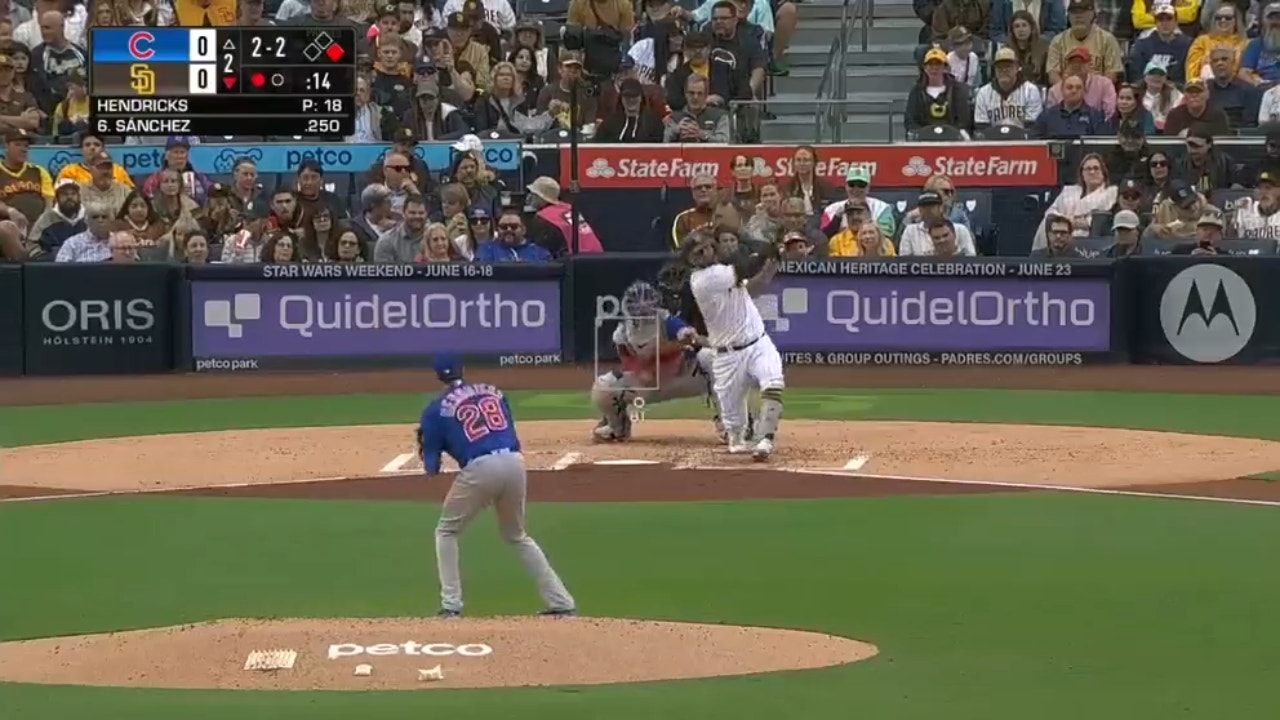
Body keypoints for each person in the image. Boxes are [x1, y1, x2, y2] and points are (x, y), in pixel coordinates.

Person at [418, 354, 576, 618]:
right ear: (462, 369)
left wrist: (430, 445)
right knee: (516, 535)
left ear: (437, 375)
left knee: (446, 531)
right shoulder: (495, 393)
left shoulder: (434, 410)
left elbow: (431, 469)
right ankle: (562, 603)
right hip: (514, 462)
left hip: (480, 468)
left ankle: (451, 606)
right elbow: (507, 431)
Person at [686, 231, 784, 460]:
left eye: (707, 248)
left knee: (773, 382)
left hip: (758, 343)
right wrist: (763, 247)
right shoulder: (703, 279)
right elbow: (747, 266)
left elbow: (753, 282)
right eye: (697, 252)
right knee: (735, 432)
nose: (704, 253)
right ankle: (739, 436)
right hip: (727, 356)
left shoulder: (725, 270)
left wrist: (771, 257)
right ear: (691, 259)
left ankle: (765, 439)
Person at [588, 280, 721, 443]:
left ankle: (729, 424)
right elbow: (627, 360)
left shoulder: (664, 318)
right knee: (603, 386)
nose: (644, 313)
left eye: (647, 307)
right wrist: (639, 371)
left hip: (683, 377)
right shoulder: (622, 332)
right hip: (648, 384)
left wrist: (686, 334)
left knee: (711, 359)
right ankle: (617, 428)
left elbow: (679, 329)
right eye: (639, 309)